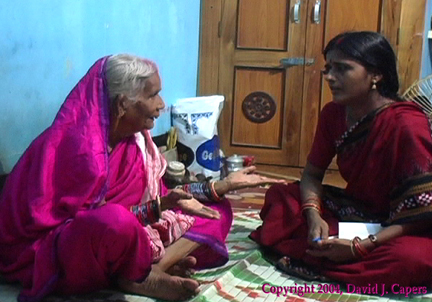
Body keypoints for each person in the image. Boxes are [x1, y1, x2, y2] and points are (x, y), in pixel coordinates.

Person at [0, 54, 284, 302]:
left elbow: (163, 193)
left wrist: (221, 186)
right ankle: (139, 272)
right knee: (117, 223)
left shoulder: (133, 142)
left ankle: (148, 273)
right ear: (122, 103)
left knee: (217, 211)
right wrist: (159, 207)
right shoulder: (80, 150)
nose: (162, 105)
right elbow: (89, 223)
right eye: (152, 95)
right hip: (60, 246)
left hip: (126, 233)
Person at [251, 31, 432, 290]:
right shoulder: (333, 114)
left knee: (414, 259)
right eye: (328, 69)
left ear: (376, 75)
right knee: (281, 198)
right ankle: (331, 256)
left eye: (343, 69)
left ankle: (323, 259)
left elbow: (422, 213)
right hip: (357, 211)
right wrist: (314, 217)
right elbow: (312, 174)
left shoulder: (406, 124)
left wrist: (361, 246)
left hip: (403, 224)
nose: (330, 78)